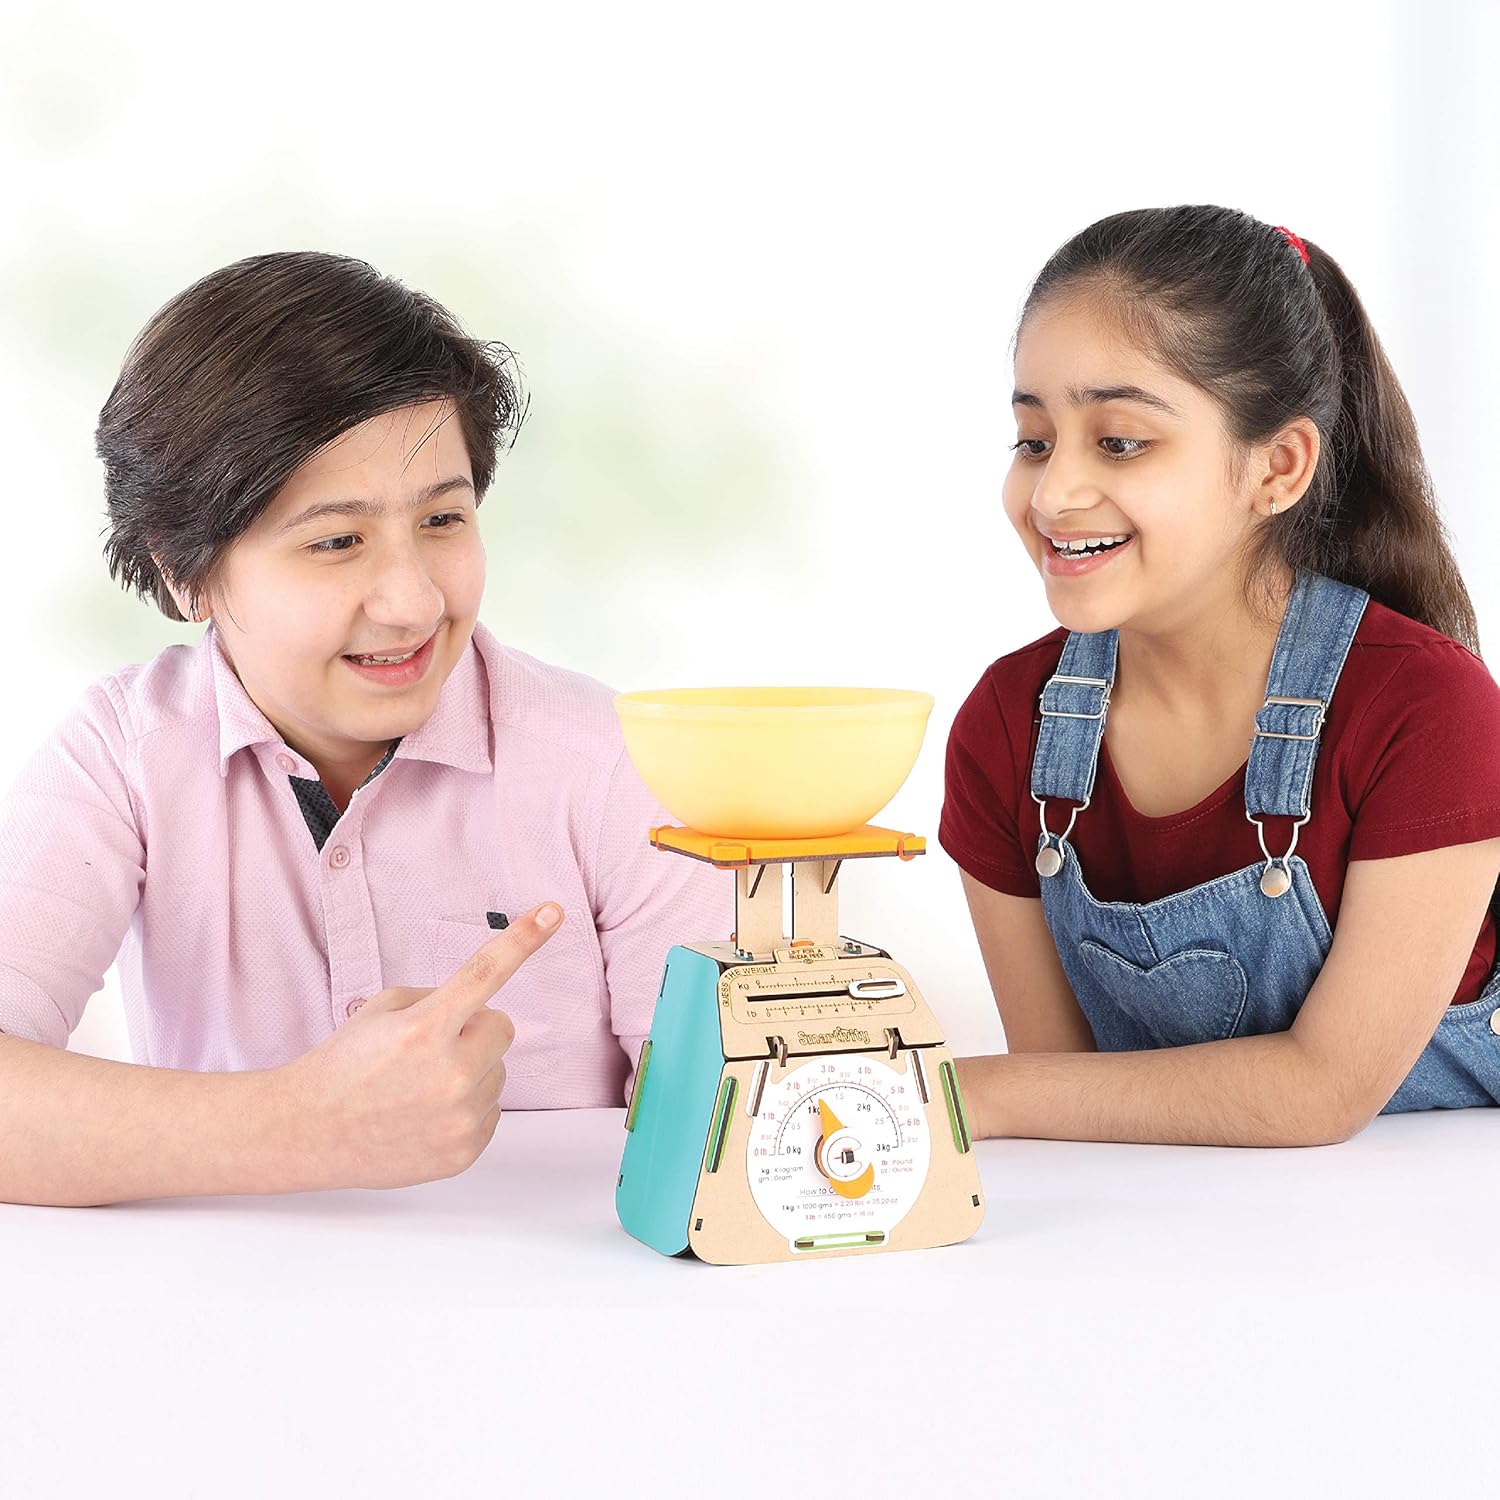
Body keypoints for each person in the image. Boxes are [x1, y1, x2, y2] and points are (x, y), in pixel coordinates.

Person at [0, 252, 728, 1205]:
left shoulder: (608, 764)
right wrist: (306, 1125)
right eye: (337, 541)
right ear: (183, 569)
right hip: (222, 1293)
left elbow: (734, 1139)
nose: (414, 602)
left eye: (443, 520)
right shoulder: (122, 757)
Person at [942, 205, 1500, 1147]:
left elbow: (1322, 1091)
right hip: (1164, 1218)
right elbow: (1068, 1101)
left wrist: (970, 1093)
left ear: (1277, 467)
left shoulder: (1428, 709)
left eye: (1120, 441)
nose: (1052, 494)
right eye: (1034, 440)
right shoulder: (1006, 727)